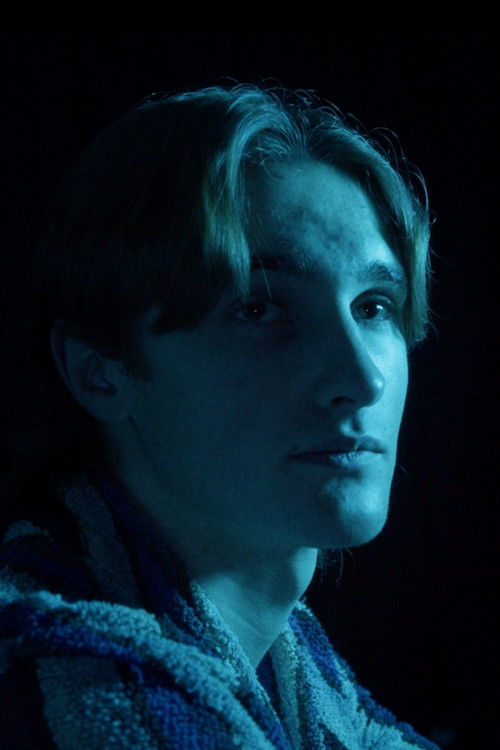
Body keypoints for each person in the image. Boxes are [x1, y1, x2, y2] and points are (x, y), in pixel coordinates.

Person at [0, 84, 439, 749]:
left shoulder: (300, 679)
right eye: (260, 309)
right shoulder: (70, 683)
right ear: (100, 371)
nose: (362, 380)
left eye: (374, 306)